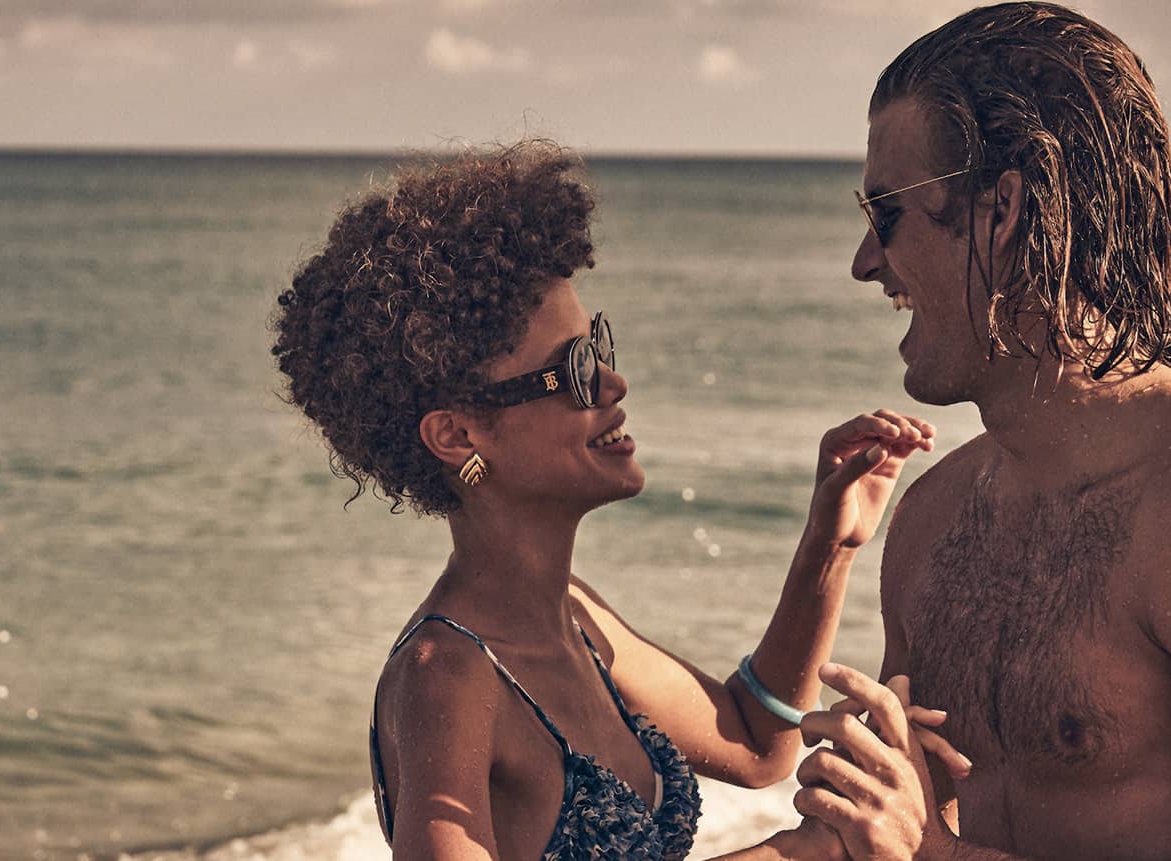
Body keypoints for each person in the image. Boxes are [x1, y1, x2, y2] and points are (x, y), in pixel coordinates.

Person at [271, 141, 950, 860]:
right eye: (571, 368)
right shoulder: (447, 676)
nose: (611, 384)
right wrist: (804, 851)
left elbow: (755, 743)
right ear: (457, 433)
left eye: (596, 345)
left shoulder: (578, 618)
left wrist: (829, 545)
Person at [791, 4, 1171, 860]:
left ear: (1002, 211)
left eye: (885, 212)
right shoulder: (931, 520)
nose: (862, 260)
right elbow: (909, 826)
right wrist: (855, 807)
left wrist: (931, 854)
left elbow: (927, 847)